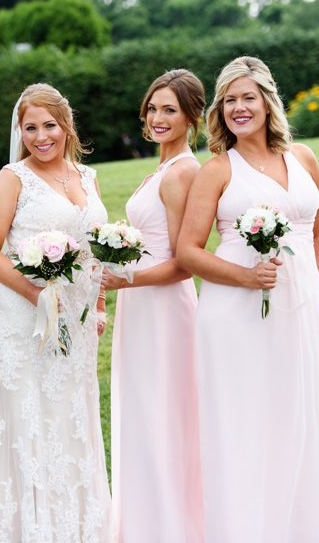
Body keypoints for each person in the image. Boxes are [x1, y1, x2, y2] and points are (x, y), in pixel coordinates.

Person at [176, 56, 319, 542]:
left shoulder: (304, 159)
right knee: (247, 423)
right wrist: (245, 278)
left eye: (247, 97)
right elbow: (188, 251)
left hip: (302, 312)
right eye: (229, 100)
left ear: (267, 101)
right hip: (234, 315)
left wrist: (305, 290)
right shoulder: (217, 171)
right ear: (219, 111)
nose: (239, 107)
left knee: (303, 415)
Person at [0, 83, 111, 542]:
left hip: (75, 319)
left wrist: (97, 303)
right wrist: (34, 294)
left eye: (49, 125)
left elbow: (94, 250)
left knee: (69, 413)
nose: (40, 136)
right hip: (22, 318)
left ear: (66, 125)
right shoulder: (14, 177)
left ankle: (74, 525)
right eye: (30, 128)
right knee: (29, 415)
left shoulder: (88, 177)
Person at [103, 70, 205, 542]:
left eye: (171, 110)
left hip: (164, 310)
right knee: (144, 413)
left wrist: (121, 279)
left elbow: (184, 263)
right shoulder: (162, 168)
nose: (158, 118)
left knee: (164, 415)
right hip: (142, 307)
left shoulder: (183, 171)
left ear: (192, 117)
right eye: (153, 108)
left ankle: (173, 528)